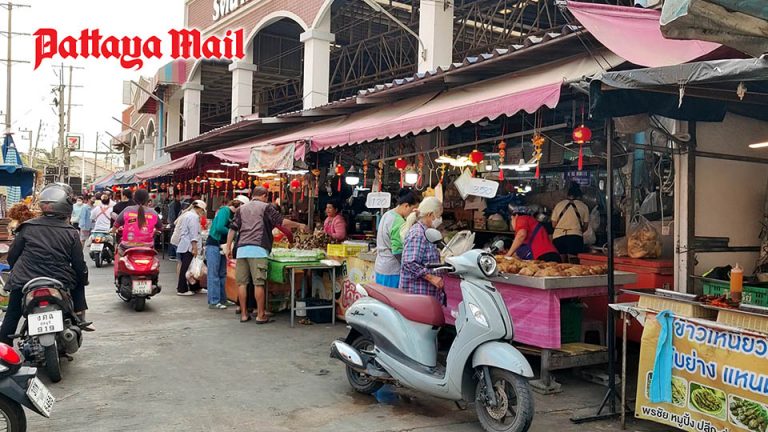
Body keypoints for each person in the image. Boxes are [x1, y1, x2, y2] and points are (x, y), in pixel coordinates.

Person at [0, 184, 91, 345]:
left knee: (12, 315)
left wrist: (17, 271)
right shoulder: (71, 233)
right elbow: (78, 263)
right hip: (59, 280)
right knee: (78, 279)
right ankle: (79, 316)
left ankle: (3, 355)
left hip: (24, 280)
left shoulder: (27, 227)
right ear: (66, 206)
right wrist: (83, 278)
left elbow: (13, 256)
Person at [226, 187, 308, 323]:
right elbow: (282, 222)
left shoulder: (242, 209)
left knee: (242, 284)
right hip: (258, 249)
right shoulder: (266, 207)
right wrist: (299, 224)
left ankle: (244, 314)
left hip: (241, 250)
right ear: (264, 196)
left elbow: (232, 229)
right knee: (259, 283)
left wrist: (228, 247)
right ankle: (260, 315)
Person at [206, 195, 249, 310]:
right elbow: (220, 227)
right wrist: (234, 233)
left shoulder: (233, 215)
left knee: (222, 273)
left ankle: (223, 299)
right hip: (214, 244)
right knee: (214, 274)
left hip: (223, 246)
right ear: (239, 205)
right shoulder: (225, 210)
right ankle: (214, 301)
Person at [399, 197, 445, 300]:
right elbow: (409, 263)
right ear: (430, 214)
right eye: (438, 216)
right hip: (417, 295)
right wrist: (431, 277)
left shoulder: (427, 232)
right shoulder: (418, 233)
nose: (439, 220)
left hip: (426, 294)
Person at [374, 189, 418, 288]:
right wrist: (408, 266)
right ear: (406, 205)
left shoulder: (387, 214)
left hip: (381, 267)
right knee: (390, 301)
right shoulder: (398, 222)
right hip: (392, 271)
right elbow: (398, 250)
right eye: (413, 210)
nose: (413, 214)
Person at [113, 189, 161, 255]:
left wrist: (113, 231)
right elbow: (160, 227)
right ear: (147, 199)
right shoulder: (153, 212)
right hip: (148, 246)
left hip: (127, 246)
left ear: (134, 198)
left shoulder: (128, 210)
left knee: (118, 252)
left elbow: (116, 224)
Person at [175, 200, 206, 296]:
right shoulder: (194, 217)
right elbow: (193, 233)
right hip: (189, 245)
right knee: (187, 267)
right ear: (199, 208)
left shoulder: (188, 214)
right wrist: (194, 247)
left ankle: (195, 287)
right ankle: (182, 289)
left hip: (185, 244)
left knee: (192, 267)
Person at [551, 182, 590, 258]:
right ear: (579, 196)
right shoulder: (584, 206)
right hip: (575, 237)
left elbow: (553, 225)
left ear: (568, 195)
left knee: (561, 263)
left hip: (559, 237)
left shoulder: (559, 204)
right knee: (573, 262)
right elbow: (585, 227)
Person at [167, 194, 182, 261]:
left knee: (174, 238)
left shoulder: (180, 203)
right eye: (178, 196)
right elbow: (171, 214)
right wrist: (172, 223)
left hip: (177, 223)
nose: (180, 197)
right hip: (174, 223)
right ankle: (172, 254)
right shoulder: (172, 204)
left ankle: (173, 254)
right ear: (175, 196)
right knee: (173, 239)